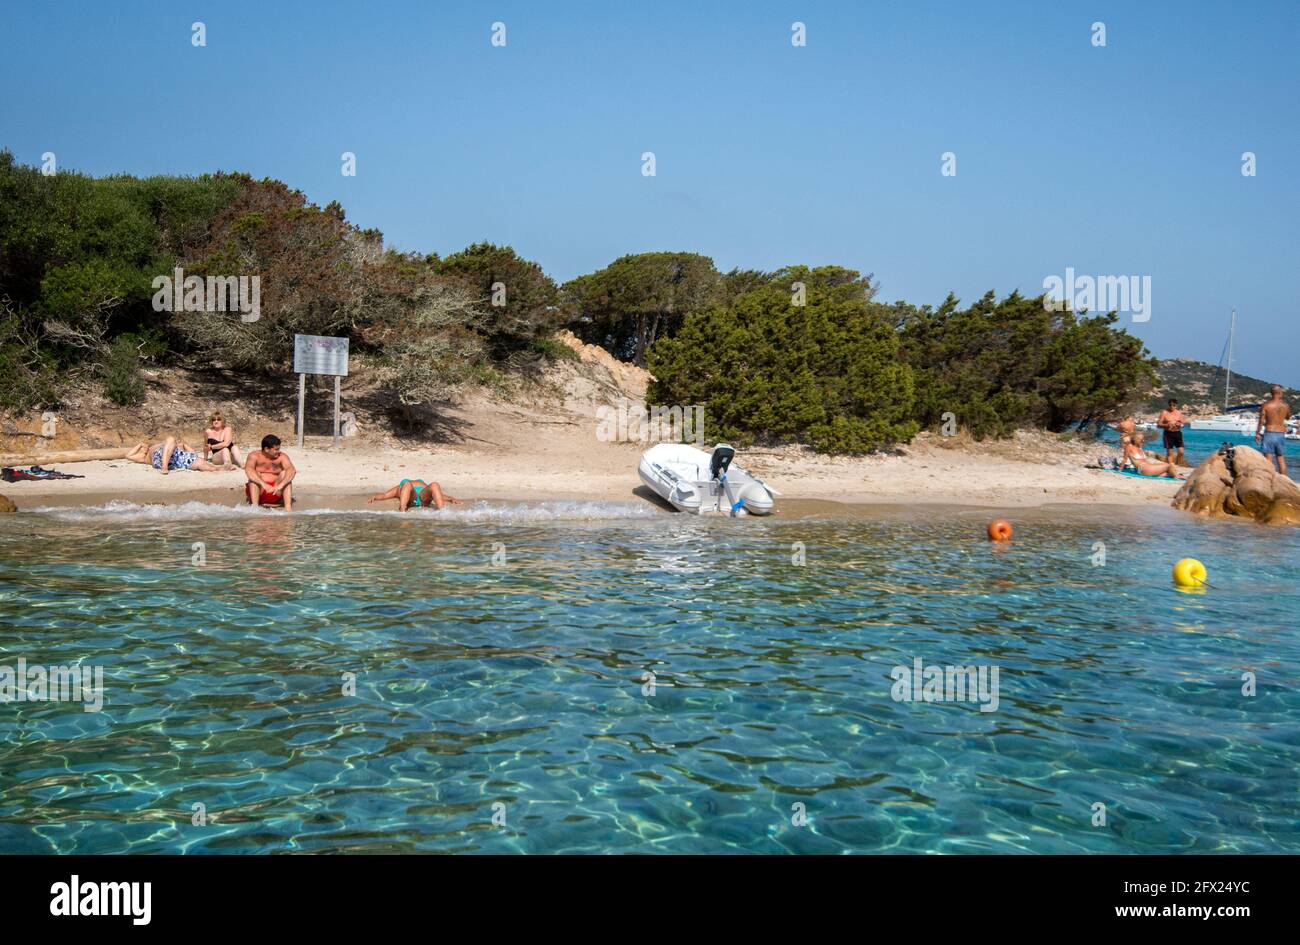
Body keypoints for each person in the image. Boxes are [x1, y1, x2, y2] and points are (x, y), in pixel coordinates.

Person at [244, 435, 296, 510]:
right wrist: (264, 484)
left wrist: (281, 485)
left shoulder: (282, 457)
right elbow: (248, 470)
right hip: (259, 491)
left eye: (279, 449)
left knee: (285, 473)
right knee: (255, 474)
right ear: (266, 449)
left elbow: (291, 470)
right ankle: (254, 508)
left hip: (276, 490)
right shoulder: (254, 456)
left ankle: (288, 508)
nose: (279, 451)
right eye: (276, 449)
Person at [126, 436, 226, 474]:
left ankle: (217, 469)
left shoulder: (149, 453)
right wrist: (140, 445)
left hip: (176, 460)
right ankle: (164, 466)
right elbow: (128, 456)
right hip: (164, 462)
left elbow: (192, 454)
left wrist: (141, 446)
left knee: (199, 462)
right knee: (170, 439)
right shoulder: (145, 456)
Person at [367, 478, 461, 512]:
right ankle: (402, 510)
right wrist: (375, 497)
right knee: (407, 484)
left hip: (423, 496)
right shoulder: (400, 488)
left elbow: (437, 494)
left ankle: (443, 512)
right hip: (411, 497)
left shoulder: (402, 486)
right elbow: (384, 495)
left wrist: (450, 498)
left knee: (435, 484)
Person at [1256, 384, 1291, 475]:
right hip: (1280, 433)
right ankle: (1284, 482)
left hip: (1269, 433)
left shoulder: (1266, 405)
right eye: (1282, 392)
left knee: (1268, 461)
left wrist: (1258, 433)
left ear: (1272, 393)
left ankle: (1270, 482)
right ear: (1279, 393)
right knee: (1281, 460)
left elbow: (1261, 421)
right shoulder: (1286, 405)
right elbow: (1287, 417)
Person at [1120, 432, 1186, 479]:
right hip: (1143, 469)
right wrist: (1120, 470)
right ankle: (1177, 477)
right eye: (1141, 439)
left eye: (1143, 439)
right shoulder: (1129, 447)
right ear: (1135, 439)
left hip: (1149, 467)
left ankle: (1175, 475)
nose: (1143, 441)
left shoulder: (1139, 448)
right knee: (1169, 465)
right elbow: (1124, 459)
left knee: (1168, 472)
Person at [1156, 398, 1186, 467]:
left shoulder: (1179, 413)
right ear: (1168, 405)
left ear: (1176, 406)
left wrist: (1179, 424)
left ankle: (1177, 464)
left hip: (1177, 433)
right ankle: (1170, 467)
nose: (1172, 406)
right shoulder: (1164, 412)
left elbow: (1182, 423)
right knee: (1170, 453)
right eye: (1170, 405)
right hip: (1168, 434)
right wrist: (1166, 425)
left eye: (1174, 405)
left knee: (1181, 451)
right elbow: (1158, 425)